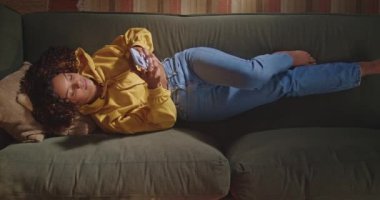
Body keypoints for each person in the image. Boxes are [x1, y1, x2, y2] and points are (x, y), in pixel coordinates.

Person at [22, 28, 380, 134]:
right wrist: (154, 86)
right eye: (69, 91)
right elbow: (164, 120)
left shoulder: (97, 60)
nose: (76, 83)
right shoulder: (110, 120)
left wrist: (140, 52)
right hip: (189, 104)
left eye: (70, 77)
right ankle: (360, 71)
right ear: (71, 105)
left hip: (186, 66)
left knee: (255, 74)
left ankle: (284, 57)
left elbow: (136, 33)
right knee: (279, 88)